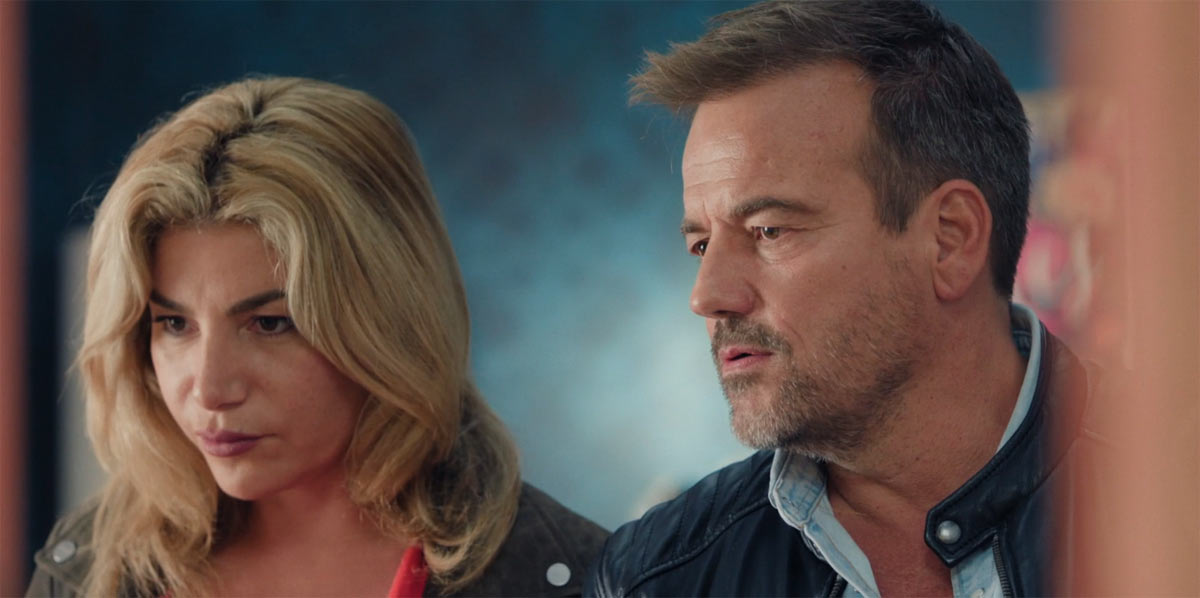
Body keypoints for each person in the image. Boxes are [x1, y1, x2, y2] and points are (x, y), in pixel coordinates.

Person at [587, 1, 1105, 597]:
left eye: (769, 230)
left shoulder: (1171, 497)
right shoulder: (653, 578)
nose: (707, 296)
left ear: (950, 239)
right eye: (701, 245)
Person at [26, 77, 607, 597]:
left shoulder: (579, 578)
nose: (210, 389)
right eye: (175, 324)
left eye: (270, 323)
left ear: (388, 321)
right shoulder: (88, 568)